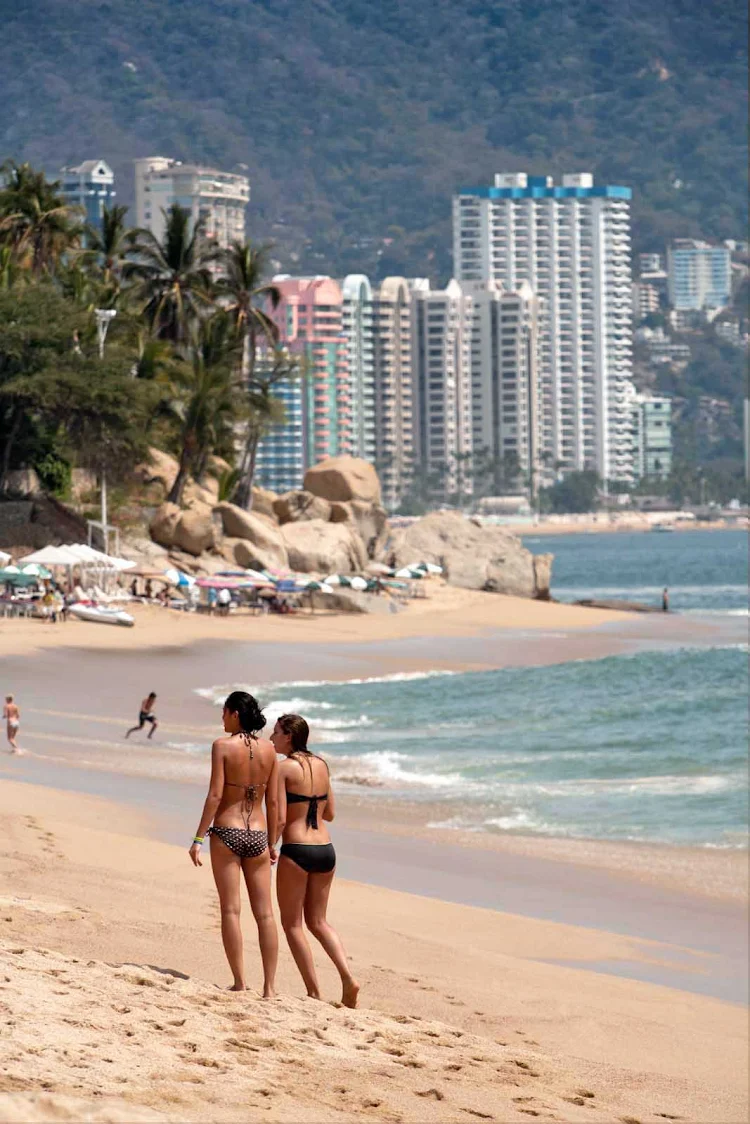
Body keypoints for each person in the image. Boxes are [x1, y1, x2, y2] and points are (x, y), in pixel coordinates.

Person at [189, 691, 279, 996]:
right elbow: (275, 801)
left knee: (230, 910)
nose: (221, 718)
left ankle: (240, 982)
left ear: (235, 714)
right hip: (259, 834)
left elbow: (215, 795)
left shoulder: (222, 746)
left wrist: (198, 837)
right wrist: (274, 842)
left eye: (224, 713)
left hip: (227, 832)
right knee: (265, 913)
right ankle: (270, 987)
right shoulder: (270, 750)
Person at [272, 713, 359, 1008]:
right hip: (326, 849)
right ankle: (347, 977)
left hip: (296, 849)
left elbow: (280, 816)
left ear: (288, 737)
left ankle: (314, 992)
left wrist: (271, 844)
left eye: (276, 733)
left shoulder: (283, 769)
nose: (271, 738)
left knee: (292, 924)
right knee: (319, 921)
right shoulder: (322, 765)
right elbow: (330, 813)